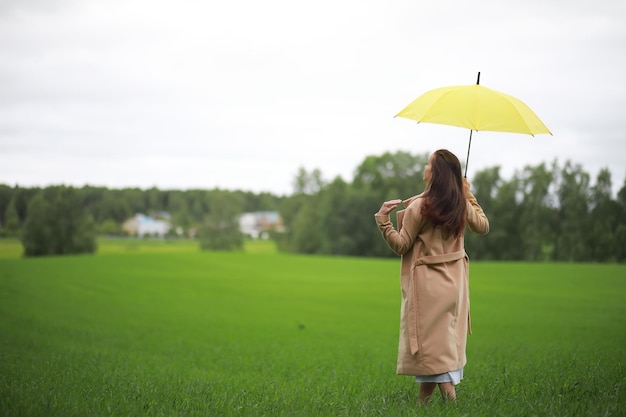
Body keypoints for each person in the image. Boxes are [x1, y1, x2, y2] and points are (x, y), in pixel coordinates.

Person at [374, 149, 489, 406]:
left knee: (433, 351)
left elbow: (402, 245)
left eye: (428, 164)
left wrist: (383, 220)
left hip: (428, 287)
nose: (424, 168)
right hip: (455, 286)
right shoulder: (459, 205)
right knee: (435, 349)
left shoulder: (420, 207)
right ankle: (421, 405)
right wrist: (466, 193)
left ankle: (452, 403)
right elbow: (483, 226)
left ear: (435, 174)